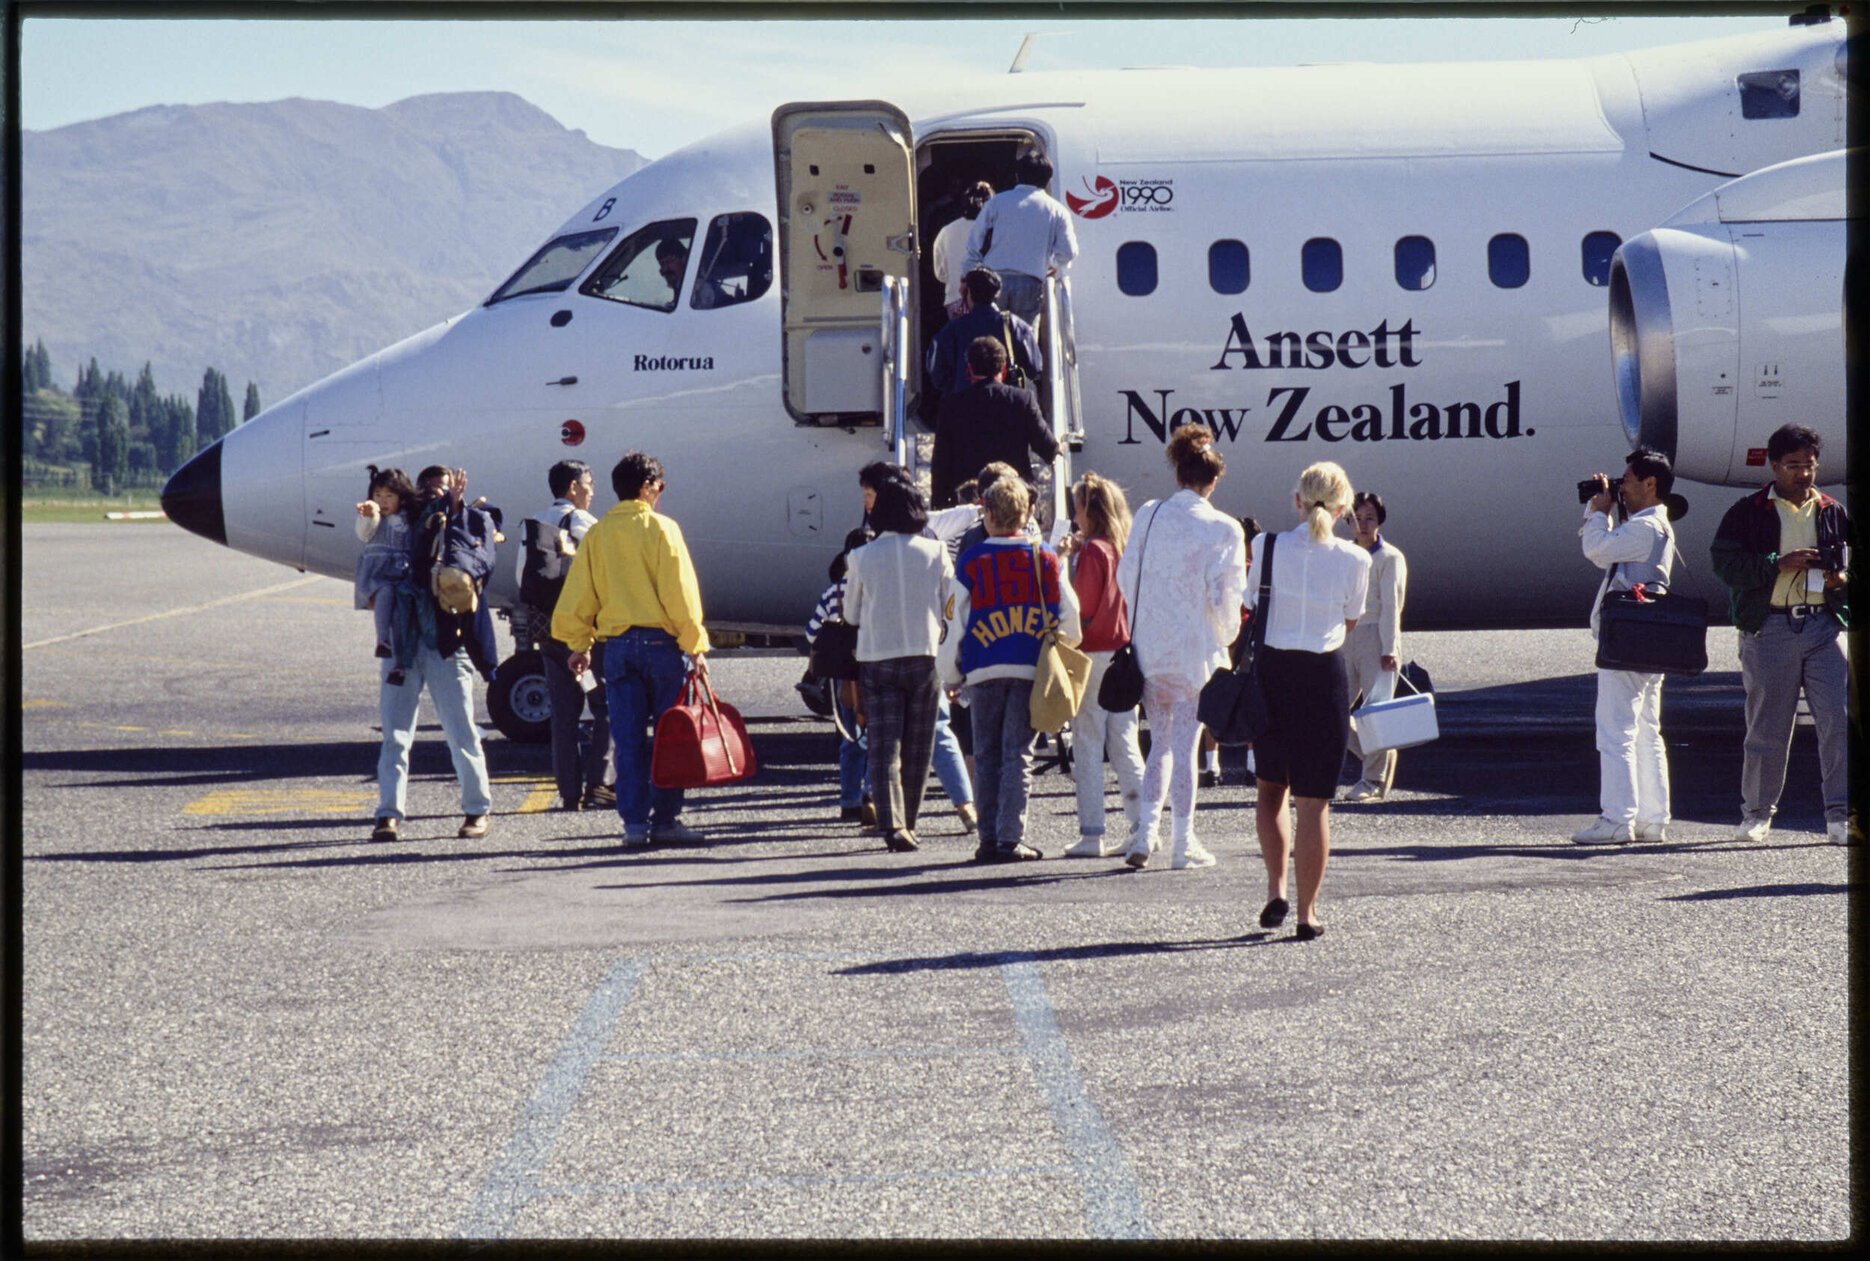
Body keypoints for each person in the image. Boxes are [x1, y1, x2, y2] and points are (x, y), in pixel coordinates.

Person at [554, 452, 711, 849]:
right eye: (659, 485)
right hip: (661, 646)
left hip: (617, 647)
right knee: (669, 737)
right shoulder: (663, 529)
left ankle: (634, 825)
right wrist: (695, 646)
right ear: (646, 487)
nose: (661, 492)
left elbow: (579, 596)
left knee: (626, 739)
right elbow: (680, 593)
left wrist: (579, 644)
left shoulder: (599, 533)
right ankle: (667, 820)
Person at [1710, 424, 1852, 845]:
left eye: (1809, 466)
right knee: (1768, 727)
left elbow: (1853, 566)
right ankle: (1757, 813)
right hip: (1769, 626)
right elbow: (1724, 566)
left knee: (1838, 721)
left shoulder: (1832, 510)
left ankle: (1840, 815)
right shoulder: (1748, 511)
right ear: (1774, 466)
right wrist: (1778, 563)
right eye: (1793, 466)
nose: (1803, 474)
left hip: (1823, 625)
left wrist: (1839, 581)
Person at [1115, 425, 1247, 871]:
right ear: (1213, 481)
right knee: (1186, 744)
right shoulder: (1225, 529)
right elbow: (1227, 600)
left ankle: (1146, 831)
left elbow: (1124, 577)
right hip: (1195, 652)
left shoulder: (1149, 514)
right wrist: (1225, 635)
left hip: (1151, 649)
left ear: (1177, 474)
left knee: (1159, 744)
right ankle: (1181, 841)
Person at [1250, 462, 1369, 939]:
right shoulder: (1356, 559)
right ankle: (1306, 913)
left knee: (1270, 788)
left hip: (1272, 672)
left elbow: (1250, 603)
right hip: (1322, 676)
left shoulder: (1265, 546)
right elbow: (1351, 622)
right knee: (1314, 803)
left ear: (1297, 501)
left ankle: (1276, 888)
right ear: (1343, 510)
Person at [940, 475, 1081, 862]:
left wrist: (951, 674)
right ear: (1027, 513)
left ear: (986, 514)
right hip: (1028, 670)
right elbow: (1072, 621)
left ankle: (987, 838)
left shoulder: (971, 561)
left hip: (983, 670)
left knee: (985, 754)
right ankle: (1009, 837)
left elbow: (955, 624)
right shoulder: (1045, 559)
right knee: (1018, 755)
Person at [370, 465, 500, 844]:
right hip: (404, 646)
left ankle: (477, 809)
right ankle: (388, 815)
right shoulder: (401, 526)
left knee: (460, 731)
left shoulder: (463, 525)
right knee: (397, 735)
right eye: (429, 489)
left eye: (443, 489)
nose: (437, 495)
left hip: (444, 643)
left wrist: (457, 508)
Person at [1573, 449, 1679, 846]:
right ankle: (1652, 819)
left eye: (1628, 481)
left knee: (1615, 731)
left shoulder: (1645, 528)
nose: (1622, 487)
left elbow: (1596, 550)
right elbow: (1611, 552)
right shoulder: (1654, 526)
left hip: (1628, 640)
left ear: (1651, 484)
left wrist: (1599, 511)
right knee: (1647, 731)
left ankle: (1617, 818)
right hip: (1648, 637)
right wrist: (1608, 511)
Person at [843, 477, 954, 852]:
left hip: (877, 658)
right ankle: (910, 821)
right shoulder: (937, 552)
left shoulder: (860, 556)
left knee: (884, 745)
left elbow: (851, 614)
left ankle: (892, 825)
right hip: (926, 657)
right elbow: (949, 606)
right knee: (919, 746)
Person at [1056, 472, 1146, 857]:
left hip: (1092, 655)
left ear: (1090, 510)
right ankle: (1144, 824)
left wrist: (1064, 564)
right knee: (1124, 741)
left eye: (1077, 507)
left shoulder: (1092, 551)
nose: (1074, 515)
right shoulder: (1119, 546)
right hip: (1122, 654)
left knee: (1088, 743)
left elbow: (1083, 609)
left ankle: (1092, 833)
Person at [518, 459, 614, 812]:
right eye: (589, 482)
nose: (593, 489)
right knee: (603, 705)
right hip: (586, 639)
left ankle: (569, 791)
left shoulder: (536, 525)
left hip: (551, 635)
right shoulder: (585, 523)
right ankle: (601, 783)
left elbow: (521, 579)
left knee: (563, 715)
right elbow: (606, 573)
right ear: (573, 487)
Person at [930, 337, 1058, 510]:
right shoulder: (1022, 400)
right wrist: (1057, 450)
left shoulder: (951, 406)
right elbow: (1047, 447)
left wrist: (939, 505)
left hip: (970, 501)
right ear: (1003, 368)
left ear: (970, 369)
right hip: (1013, 499)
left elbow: (941, 463)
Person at [1340, 491, 1409, 803]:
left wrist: (1390, 649)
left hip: (1376, 636)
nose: (1363, 525)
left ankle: (1372, 780)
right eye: (1357, 519)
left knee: (1375, 713)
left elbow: (1392, 607)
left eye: (1369, 518)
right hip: (1344, 636)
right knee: (1332, 711)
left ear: (1379, 521)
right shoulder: (1343, 554)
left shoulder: (1390, 558)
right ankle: (1379, 753)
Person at [808, 526, 878, 829]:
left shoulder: (832, 591)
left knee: (850, 738)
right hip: (874, 668)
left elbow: (812, 633)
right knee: (879, 738)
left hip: (843, 675)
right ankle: (873, 795)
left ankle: (848, 802)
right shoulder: (878, 588)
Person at [964, 153, 1078, 325]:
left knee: (991, 338)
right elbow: (1069, 252)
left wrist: (970, 275)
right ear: (1048, 180)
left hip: (993, 282)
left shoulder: (996, 203)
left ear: (1017, 176)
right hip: (1030, 282)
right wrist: (1053, 264)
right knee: (1024, 340)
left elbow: (974, 244)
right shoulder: (1058, 210)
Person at [927, 268, 1041, 401]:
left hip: (964, 406)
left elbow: (937, 374)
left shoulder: (951, 330)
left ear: (967, 293)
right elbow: (1034, 368)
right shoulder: (1015, 326)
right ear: (997, 296)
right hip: (1006, 406)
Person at [354, 465, 418, 687]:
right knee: (385, 593)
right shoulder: (371, 517)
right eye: (378, 496)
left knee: (400, 615)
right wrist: (369, 516)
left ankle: (399, 665)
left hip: (401, 571)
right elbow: (364, 534)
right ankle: (382, 640)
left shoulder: (407, 518)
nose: (383, 501)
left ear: (401, 497)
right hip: (378, 572)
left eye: (389, 496)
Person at [932, 181, 994, 321]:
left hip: (956, 300)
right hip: (991, 302)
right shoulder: (997, 231)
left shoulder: (946, 231)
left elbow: (940, 274)